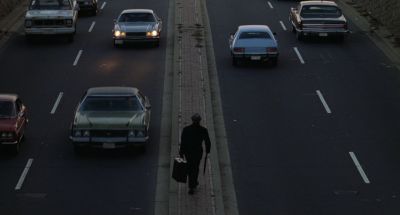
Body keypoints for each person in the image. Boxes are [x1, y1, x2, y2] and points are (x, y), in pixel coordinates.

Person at [179, 113, 211, 195]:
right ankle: (193, 183)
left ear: (192, 120)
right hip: (197, 153)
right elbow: (207, 142)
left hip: (188, 152)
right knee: (195, 167)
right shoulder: (203, 130)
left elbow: (183, 142)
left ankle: (191, 185)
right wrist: (207, 150)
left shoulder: (186, 129)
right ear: (199, 121)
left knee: (190, 167)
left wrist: (181, 152)